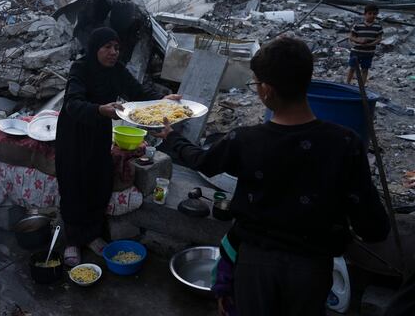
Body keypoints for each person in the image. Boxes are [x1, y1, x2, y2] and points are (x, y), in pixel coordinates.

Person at [155, 37, 390, 315]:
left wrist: (172, 138)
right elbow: (374, 227)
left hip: (255, 268)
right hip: (313, 272)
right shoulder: (346, 143)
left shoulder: (245, 141)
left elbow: (203, 161)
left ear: (266, 90)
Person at [55, 27, 180, 267]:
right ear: (95, 49)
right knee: (73, 185)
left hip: (99, 133)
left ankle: (91, 235)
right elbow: (73, 104)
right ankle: (73, 240)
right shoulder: (80, 69)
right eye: (107, 47)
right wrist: (99, 109)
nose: (113, 52)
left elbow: (138, 92)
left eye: (116, 47)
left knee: (98, 182)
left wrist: (160, 101)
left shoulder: (117, 70)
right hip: (74, 135)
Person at [346, 4, 383, 85]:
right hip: (356, 51)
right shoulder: (358, 25)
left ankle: (361, 86)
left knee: (365, 69)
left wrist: (370, 44)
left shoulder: (378, 27)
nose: (372, 15)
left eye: (374, 14)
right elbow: (351, 36)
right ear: (365, 14)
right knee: (352, 67)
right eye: (370, 13)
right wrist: (359, 40)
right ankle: (347, 83)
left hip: (368, 52)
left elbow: (379, 39)